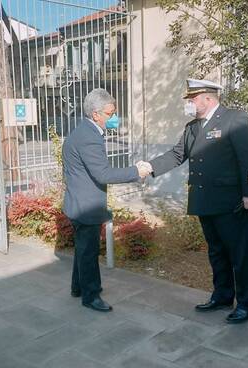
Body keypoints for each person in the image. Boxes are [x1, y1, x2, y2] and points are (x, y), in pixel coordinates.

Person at [145, 78, 248, 324]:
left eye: (192, 99)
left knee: (241, 253)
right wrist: (149, 167)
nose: (189, 103)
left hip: (232, 201)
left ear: (208, 98)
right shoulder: (192, 127)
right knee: (217, 252)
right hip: (205, 200)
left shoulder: (235, 119)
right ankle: (222, 295)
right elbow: (178, 154)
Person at [62, 88, 152, 312]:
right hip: (86, 207)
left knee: (82, 249)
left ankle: (78, 287)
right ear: (96, 114)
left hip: (79, 202)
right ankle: (91, 296)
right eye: (110, 114)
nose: (114, 118)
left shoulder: (82, 132)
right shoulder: (89, 138)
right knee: (89, 251)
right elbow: (103, 174)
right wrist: (136, 171)